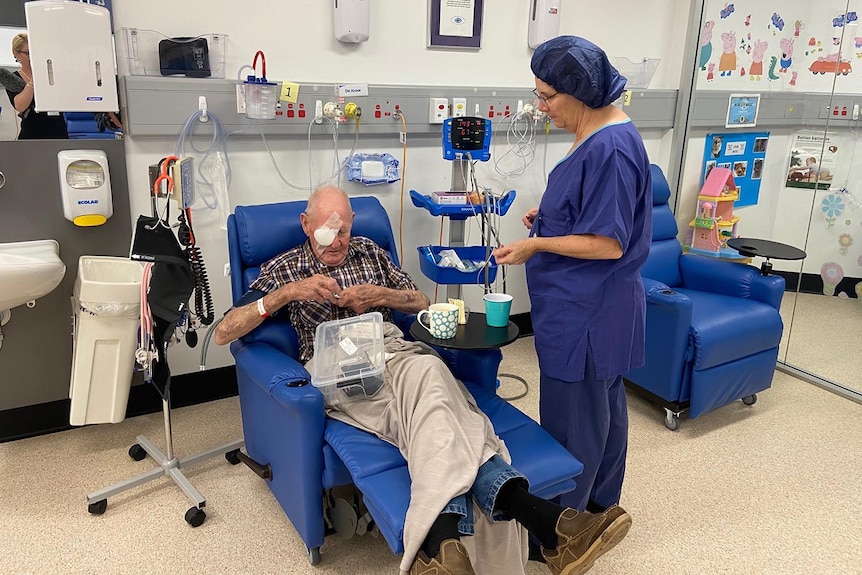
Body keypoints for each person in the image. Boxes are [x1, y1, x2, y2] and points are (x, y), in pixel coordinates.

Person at [216, 186, 631, 575]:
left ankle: (443, 550)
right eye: (327, 231)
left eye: (344, 229)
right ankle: (549, 524)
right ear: (306, 224)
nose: (337, 241)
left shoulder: (370, 252)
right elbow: (225, 331)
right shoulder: (284, 267)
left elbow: (419, 300)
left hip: (394, 350)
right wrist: (287, 294)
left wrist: (378, 295)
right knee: (452, 416)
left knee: (432, 378)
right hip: (341, 371)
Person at [493, 36, 652, 520]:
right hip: (594, 307)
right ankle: (602, 508)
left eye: (547, 96)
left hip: (585, 313)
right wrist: (553, 213)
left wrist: (537, 244)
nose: (541, 107)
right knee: (603, 413)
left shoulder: (612, 149)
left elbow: (609, 242)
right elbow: (596, 209)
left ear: (579, 91)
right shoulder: (602, 134)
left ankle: (564, 527)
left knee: (574, 424)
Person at [5, 33, 68, 140]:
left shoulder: (52, 74)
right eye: (28, 53)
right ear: (16, 54)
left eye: (35, 52)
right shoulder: (13, 78)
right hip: (32, 133)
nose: (33, 57)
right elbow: (20, 106)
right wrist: (34, 80)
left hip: (58, 131)